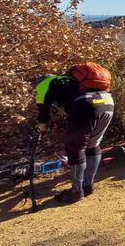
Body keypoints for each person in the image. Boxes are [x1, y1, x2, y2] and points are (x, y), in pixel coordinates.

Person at [34, 63, 115, 204]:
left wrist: (41, 126)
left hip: (86, 105)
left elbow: (43, 112)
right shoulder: (69, 80)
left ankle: (76, 192)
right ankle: (88, 186)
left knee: (75, 149)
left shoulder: (43, 86)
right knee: (92, 145)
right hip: (107, 102)